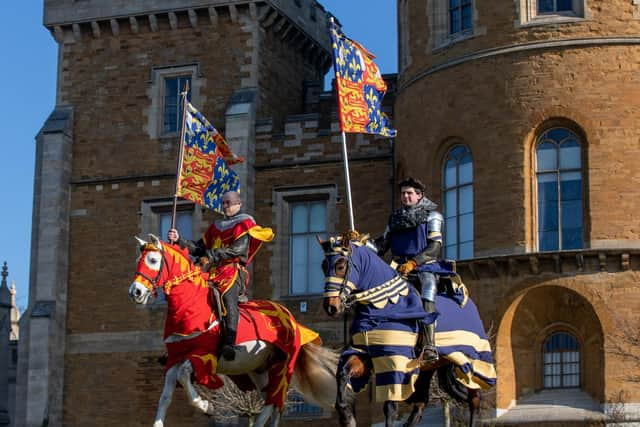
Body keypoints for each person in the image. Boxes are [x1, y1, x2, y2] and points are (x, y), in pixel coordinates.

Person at [167, 191, 274, 361]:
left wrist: (212, 254)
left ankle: (230, 343)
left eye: (228, 203)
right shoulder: (216, 226)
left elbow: (237, 250)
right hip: (213, 272)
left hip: (232, 271)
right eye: (223, 203)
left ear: (238, 204)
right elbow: (199, 248)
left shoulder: (245, 223)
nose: (225, 207)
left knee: (228, 298)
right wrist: (180, 239)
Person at [375, 177, 453, 364]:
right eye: (403, 193)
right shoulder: (395, 219)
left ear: (419, 196)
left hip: (424, 266)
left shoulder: (432, 216)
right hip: (398, 268)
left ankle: (429, 344)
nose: (405, 196)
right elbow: (381, 245)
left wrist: (414, 263)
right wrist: (360, 244)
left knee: (427, 288)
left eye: (409, 193)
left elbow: (434, 247)